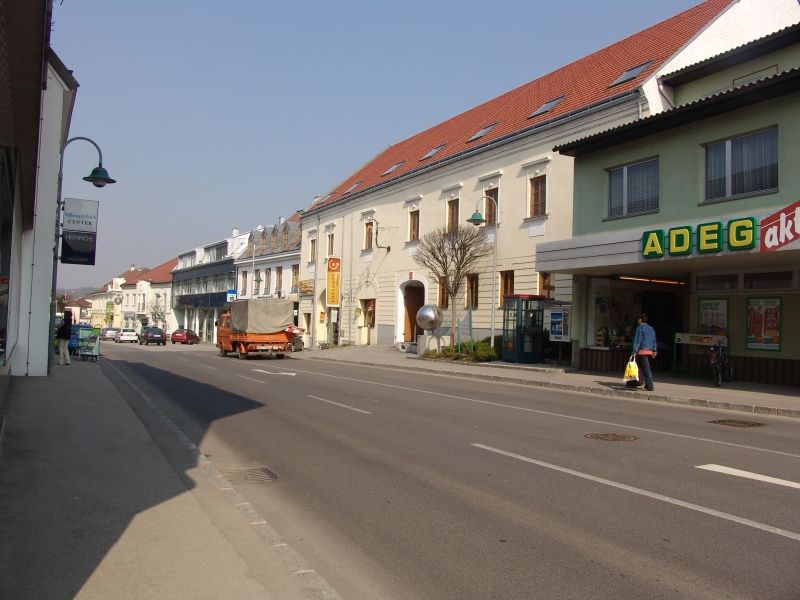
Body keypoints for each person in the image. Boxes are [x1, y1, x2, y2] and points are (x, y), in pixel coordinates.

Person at [632, 312, 657, 391]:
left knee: (640, 368)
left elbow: (637, 340)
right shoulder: (651, 328)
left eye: (638, 319)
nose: (637, 321)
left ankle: (649, 385)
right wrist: (654, 350)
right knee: (640, 367)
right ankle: (635, 382)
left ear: (641, 320)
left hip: (641, 351)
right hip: (649, 351)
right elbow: (654, 340)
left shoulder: (640, 328)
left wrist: (634, 351)